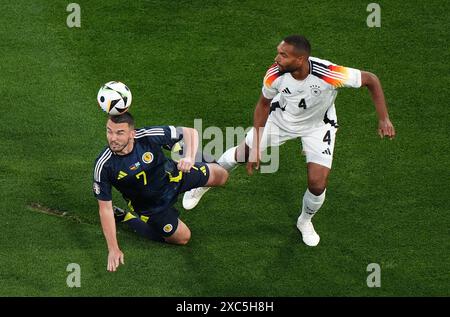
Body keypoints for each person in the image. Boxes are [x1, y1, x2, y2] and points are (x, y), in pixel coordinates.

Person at [183, 35, 395, 247]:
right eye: (278, 52)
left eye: (283, 55)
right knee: (244, 154)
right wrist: (257, 146)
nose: (277, 58)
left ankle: (305, 221)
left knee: (317, 183)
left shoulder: (329, 74)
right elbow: (263, 105)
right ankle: (204, 182)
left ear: (300, 59)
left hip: (318, 126)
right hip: (280, 120)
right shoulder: (274, 74)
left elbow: (370, 79)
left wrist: (383, 118)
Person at [93, 112, 228, 271]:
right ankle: (126, 217)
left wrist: (190, 158)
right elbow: (105, 208)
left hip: (175, 177)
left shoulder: (147, 136)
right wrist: (113, 249)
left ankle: (183, 155)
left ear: (132, 134)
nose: (113, 138)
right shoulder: (104, 165)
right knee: (183, 238)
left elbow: (190, 132)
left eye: (119, 132)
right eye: (109, 131)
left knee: (222, 176)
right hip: (152, 207)